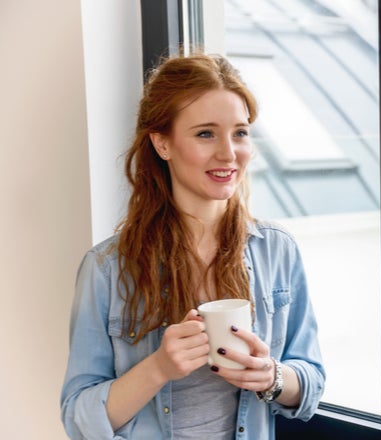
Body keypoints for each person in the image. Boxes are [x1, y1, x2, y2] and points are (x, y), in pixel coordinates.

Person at [61, 53, 325, 439]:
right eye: (206, 133)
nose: (229, 153)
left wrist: (272, 376)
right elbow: (78, 417)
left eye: (240, 132)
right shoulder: (106, 268)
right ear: (162, 144)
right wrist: (159, 368)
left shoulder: (277, 251)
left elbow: (312, 382)